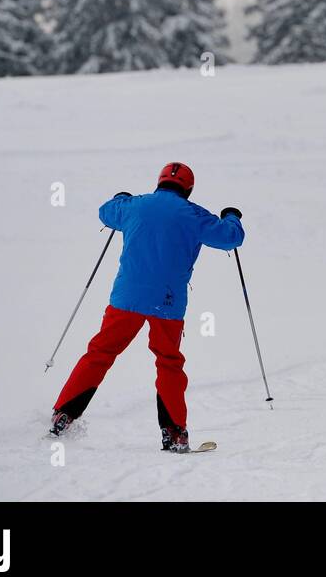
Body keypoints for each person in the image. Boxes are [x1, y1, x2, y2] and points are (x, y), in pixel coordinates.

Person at [49, 162, 244, 452]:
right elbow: (231, 238)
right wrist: (232, 217)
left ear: (159, 183)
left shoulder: (134, 206)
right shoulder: (194, 214)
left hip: (127, 298)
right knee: (168, 362)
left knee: (100, 352)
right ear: (188, 189)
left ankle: (63, 415)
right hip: (168, 303)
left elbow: (105, 211)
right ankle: (174, 433)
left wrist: (119, 198)